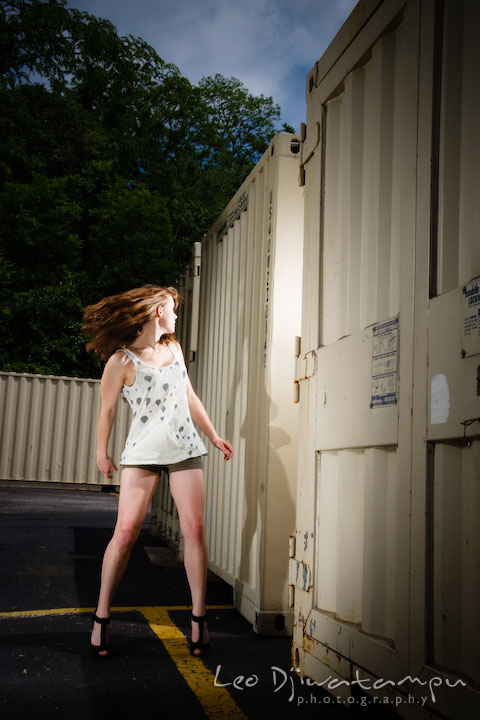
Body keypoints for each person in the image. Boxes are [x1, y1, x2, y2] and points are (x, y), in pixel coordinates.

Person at [82, 284, 233, 659]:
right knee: (126, 532)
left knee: (194, 530)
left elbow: (189, 396)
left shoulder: (175, 348)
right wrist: (102, 452)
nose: (176, 316)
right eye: (172, 309)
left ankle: (199, 619)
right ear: (156, 313)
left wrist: (212, 435)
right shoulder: (120, 361)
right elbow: (108, 411)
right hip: (142, 452)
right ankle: (101, 616)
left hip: (184, 449)